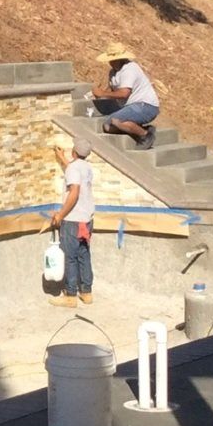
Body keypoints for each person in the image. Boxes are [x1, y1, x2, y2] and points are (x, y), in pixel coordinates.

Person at [47, 138, 94, 307]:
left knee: (70, 257)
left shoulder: (74, 169)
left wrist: (60, 215)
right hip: (86, 220)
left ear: (74, 151)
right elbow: (74, 173)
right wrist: (62, 159)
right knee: (84, 254)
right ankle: (86, 292)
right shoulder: (86, 168)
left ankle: (70, 295)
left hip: (73, 219)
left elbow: (74, 192)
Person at [92, 42, 161, 149]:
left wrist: (102, 93)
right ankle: (140, 128)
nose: (111, 63)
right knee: (108, 126)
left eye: (113, 60)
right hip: (131, 106)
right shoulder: (113, 72)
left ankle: (145, 135)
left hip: (145, 106)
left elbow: (124, 93)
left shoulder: (130, 69)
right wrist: (100, 95)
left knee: (114, 122)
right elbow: (112, 90)